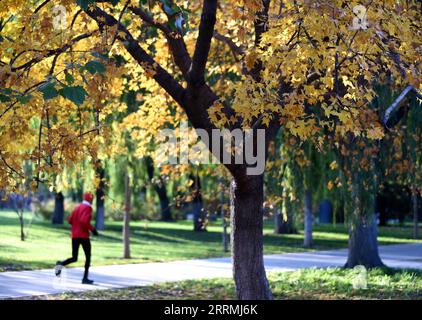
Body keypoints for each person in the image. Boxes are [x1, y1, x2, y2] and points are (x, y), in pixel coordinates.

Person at [55, 192, 99, 284]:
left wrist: (76, 226)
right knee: (88, 257)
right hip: (83, 236)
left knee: (74, 257)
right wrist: (93, 230)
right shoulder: (88, 208)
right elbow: (84, 221)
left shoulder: (77, 207)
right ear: (90, 199)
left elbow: (70, 220)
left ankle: (60, 264)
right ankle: (85, 278)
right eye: (92, 198)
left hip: (74, 236)